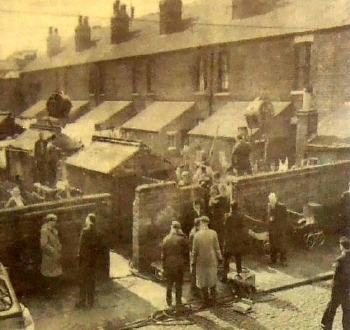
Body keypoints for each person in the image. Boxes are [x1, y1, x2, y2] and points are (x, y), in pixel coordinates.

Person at [321, 236, 350, 330]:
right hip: (347, 290)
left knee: (332, 309)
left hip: (338, 289)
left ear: (341, 246)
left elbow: (336, 277)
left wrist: (332, 286)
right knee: (347, 311)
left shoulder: (340, 259)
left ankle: (328, 327)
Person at [192, 216, 222, 307]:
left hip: (201, 260)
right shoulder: (213, 233)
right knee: (212, 278)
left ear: (201, 223)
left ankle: (205, 301)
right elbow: (217, 248)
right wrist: (220, 258)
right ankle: (213, 299)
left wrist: (193, 261)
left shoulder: (196, 235)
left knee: (202, 280)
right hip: (212, 259)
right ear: (208, 223)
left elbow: (194, 251)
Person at [161, 221, 189, 308]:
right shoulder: (182, 239)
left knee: (169, 283)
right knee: (178, 283)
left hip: (169, 263)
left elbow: (163, 255)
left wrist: (164, 266)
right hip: (179, 263)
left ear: (171, 228)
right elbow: (186, 252)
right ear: (179, 229)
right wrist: (186, 264)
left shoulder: (166, 239)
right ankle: (178, 302)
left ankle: (169, 301)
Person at [76, 213, 99, 309]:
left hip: (85, 260)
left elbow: (81, 247)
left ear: (89, 220)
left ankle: (82, 301)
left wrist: (80, 258)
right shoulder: (97, 232)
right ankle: (90, 302)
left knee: (83, 281)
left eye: (87, 218)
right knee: (91, 282)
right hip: (93, 261)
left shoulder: (85, 231)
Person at [221, 201, 247, 282]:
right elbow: (242, 227)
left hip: (229, 240)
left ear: (231, 207)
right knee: (238, 258)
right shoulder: (241, 216)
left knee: (226, 259)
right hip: (237, 240)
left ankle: (224, 277)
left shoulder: (227, 216)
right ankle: (239, 274)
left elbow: (224, 227)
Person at [40, 213, 62, 298]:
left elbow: (56, 240)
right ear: (50, 221)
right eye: (54, 221)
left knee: (55, 274)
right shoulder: (44, 231)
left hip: (55, 256)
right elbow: (44, 244)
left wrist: (59, 247)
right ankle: (49, 294)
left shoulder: (53, 230)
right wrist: (53, 250)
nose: (55, 223)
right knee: (49, 275)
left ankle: (54, 293)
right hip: (49, 257)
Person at [265, 193, 288, 266]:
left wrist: (276, 219)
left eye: (272, 200)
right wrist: (268, 221)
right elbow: (267, 216)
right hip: (272, 230)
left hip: (279, 229)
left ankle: (283, 260)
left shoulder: (282, 207)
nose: (271, 202)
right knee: (272, 245)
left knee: (281, 246)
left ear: (275, 200)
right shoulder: (269, 206)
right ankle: (273, 260)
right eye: (270, 200)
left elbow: (285, 218)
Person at [189, 217, 201, 298]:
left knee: (195, 271)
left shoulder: (195, 232)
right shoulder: (194, 233)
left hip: (195, 254)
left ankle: (194, 287)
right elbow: (192, 246)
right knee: (194, 271)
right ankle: (194, 288)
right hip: (194, 254)